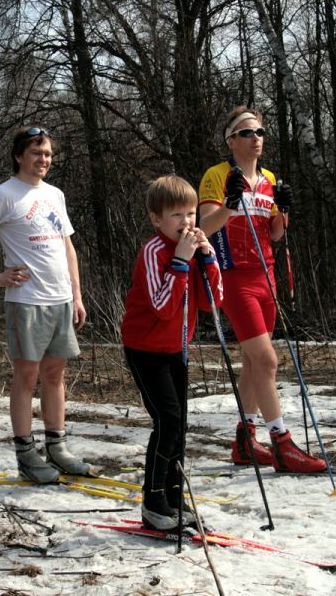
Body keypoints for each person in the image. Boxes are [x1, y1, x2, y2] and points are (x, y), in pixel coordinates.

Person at [0, 126, 91, 484]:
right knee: (27, 376)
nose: (43, 159)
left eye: (47, 153)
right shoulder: (3, 195)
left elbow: (68, 248)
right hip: (26, 302)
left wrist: (76, 295)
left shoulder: (55, 195)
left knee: (55, 374)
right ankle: (26, 453)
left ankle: (57, 448)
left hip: (59, 299)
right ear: (19, 156)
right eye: (36, 153)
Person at [198, 106, 326, 473]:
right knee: (268, 361)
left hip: (265, 276)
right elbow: (205, 227)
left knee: (255, 363)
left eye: (260, 132)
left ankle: (245, 440)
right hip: (235, 277)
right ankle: (282, 443)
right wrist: (230, 203)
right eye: (247, 133)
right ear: (231, 140)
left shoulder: (269, 178)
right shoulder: (218, 175)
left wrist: (283, 211)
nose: (257, 138)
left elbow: (275, 233)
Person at [121, 175, 223, 530]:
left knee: (180, 423)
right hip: (145, 347)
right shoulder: (154, 251)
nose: (187, 222)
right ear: (157, 219)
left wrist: (207, 259)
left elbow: (212, 302)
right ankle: (153, 502)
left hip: (177, 346)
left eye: (192, 213)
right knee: (167, 420)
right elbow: (164, 306)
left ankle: (174, 497)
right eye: (177, 215)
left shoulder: (194, 249)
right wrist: (180, 262)